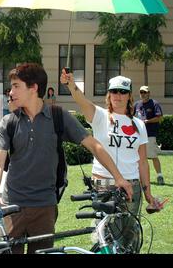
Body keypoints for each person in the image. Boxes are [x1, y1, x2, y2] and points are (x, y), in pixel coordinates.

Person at [0, 63, 133, 254]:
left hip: (45, 206)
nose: (10, 92)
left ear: (34, 87)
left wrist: (119, 178)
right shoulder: (8, 122)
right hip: (12, 206)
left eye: (16, 86)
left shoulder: (58, 116)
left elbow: (94, 145)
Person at [61, 71, 158, 247]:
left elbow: (142, 162)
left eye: (122, 91)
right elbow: (81, 100)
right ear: (109, 94)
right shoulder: (99, 116)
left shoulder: (139, 124)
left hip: (132, 186)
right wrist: (71, 85)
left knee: (129, 236)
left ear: (129, 96)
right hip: (104, 184)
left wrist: (148, 192)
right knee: (106, 235)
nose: (118, 95)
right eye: (114, 91)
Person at [134, 86, 165, 185]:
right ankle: (138, 177)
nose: (143, 94)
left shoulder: (154, 104)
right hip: (138, 135)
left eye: (145, 92)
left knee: (153, 156)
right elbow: (131, 115)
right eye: (141, 92)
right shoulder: (137, 104)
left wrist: (148, 121)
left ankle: (160, 176)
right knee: (138, 157)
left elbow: (159, 117)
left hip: (150, 134)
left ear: (149, 93)